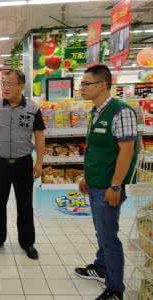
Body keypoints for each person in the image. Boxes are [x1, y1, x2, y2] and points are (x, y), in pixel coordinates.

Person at [75, 65, 138, 300]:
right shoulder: (95, 112)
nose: (81, 88)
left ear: (102, 85)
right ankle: (101, 267)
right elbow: (94, 148)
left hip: (108, 186)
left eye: (85, 84)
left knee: (109, 236)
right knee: (101, 231)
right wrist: (85, 176)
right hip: (95, 183)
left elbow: (126, 152)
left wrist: (115, 186)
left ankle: (115, 288)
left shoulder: (121, 112)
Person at [0, 69, 46, 259]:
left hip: (23, 162)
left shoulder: (33, 109)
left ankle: (27, 242)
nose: (5, 88)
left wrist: (40, 162)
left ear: (21, 85)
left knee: (25, 204)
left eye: (9, 83)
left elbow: (40, 136)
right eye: (3, 83)